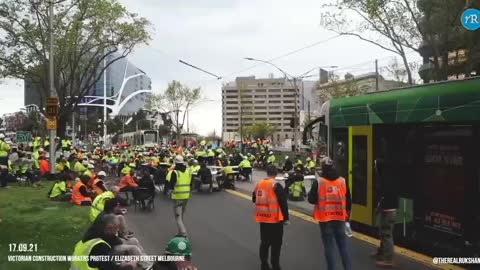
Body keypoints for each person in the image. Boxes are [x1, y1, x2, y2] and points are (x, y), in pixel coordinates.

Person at [308, 157, 352, 270]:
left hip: (325, 219)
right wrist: (347, 218)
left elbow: (311, 199)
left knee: (329, 247)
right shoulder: (342, 180)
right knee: (343, 247)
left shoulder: (319, 181)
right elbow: (348, 201)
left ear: (322, 167)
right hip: (340, 218)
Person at [252, 165, 289, 270]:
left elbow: (254, 199)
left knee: (264, 242)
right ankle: (275, 265)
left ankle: (264, 264)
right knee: (276, 244)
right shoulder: (276, 185)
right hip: (275, 220)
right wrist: (286, 218)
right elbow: (283, 203)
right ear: (276, 173)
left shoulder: (259, 184)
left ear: (267, 173)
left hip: (262, 218)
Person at [70, 214, 138, 270]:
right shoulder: (101, 247)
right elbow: (111, 268)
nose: (116, 232)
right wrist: (129, 265)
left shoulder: (87, 240)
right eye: (116, 229)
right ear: (109, 228)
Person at [372, 158, 398, 267]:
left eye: (375, 165)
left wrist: (378, 208)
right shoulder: (388, 178)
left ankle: (388, 260)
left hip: (388, 211)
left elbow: (383, 197)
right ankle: (381, 252)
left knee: (386, 234)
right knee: (383, 232)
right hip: (389, 210)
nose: (374, 167)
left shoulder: (384, 180)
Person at [166, 155, 192, 237]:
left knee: (178, 217)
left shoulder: (175, 172)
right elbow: (191, 183)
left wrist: (168, 193)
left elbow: (171, 185)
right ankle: (180, 232)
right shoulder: (188, 171)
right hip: (186, 196)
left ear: (176, 163)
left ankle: (184, 234)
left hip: (178, 197)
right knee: (181, 216)